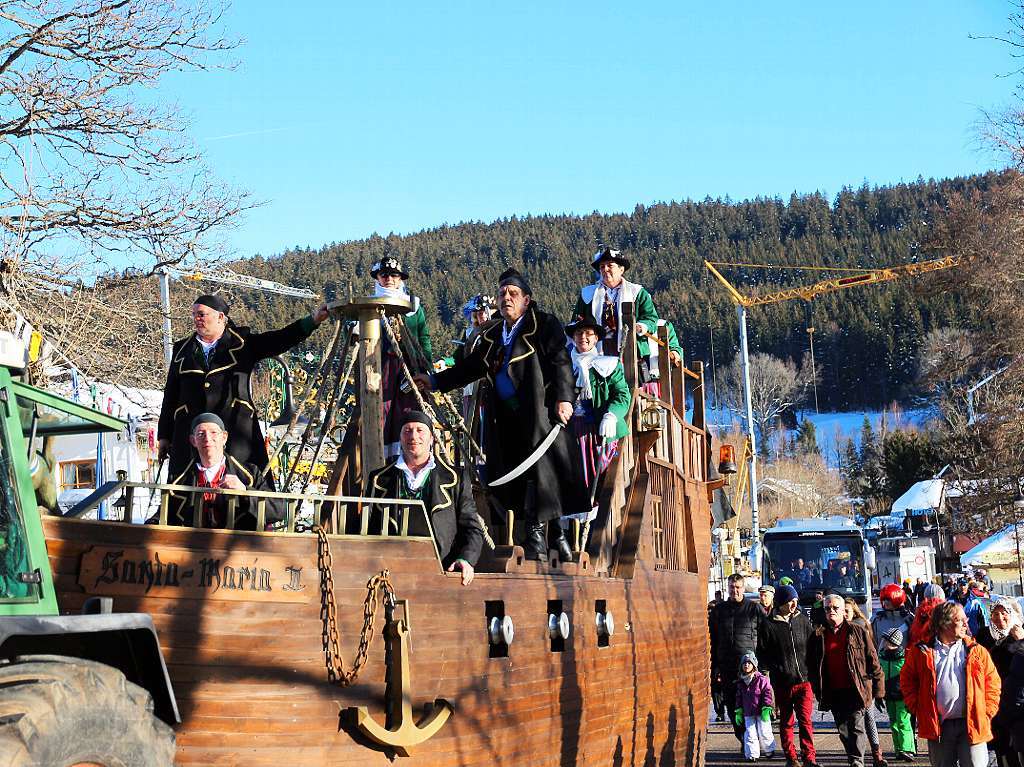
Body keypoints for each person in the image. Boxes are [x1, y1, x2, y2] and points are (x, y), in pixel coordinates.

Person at [418, 268, 583, 561]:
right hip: (505, 419)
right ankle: (534, 535)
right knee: (511, 475)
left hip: (540, 413)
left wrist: (565, 399)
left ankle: (547, 538)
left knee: (543, 475)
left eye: (513, 294)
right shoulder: (493, 333)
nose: (506, 298)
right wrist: (435, 381)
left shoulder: (544, 325)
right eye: (502, 294)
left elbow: (561, 362)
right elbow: (471, 367)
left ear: (527, 299)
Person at [158, 294, 330, 485]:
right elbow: (171, 394)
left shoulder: (243, 343)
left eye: (202, 314)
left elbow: (281, 339)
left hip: (235, 430)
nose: (196, 319)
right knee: (185, 491)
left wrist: (312, 321)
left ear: (220, 317)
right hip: (191, 431)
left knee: (242, 484)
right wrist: (164, 435)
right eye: (194, 315)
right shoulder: (182, 349)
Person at [366, 411, 483, 585]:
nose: (413, 436)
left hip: (442, 573)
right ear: (400, 437)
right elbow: (367, 529)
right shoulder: (379, 479)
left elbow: (472, 528)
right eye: (407, 431)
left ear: (431, 438)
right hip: (390, 575)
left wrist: (466, 559)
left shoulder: (455, 478)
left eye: (420, 430)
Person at [901, 601, 999, 767]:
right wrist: (919, 707)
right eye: (959, 619)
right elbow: (906, 680)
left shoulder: (976, 650)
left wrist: (986, 711)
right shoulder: (921, 651)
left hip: (972, 723)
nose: (965, 623)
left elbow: (993, 683)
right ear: (943, 623)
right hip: (939, 727)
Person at [572, 247, 673, 393]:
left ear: (621, 269)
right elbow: (576, 320)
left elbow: (651, 318)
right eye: (602, 267)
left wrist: (641, 326)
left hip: (630, 354)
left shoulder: (637, 292)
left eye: (610, 266)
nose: (605, 270)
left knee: (628, 391)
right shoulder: (588, 294)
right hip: (598, 353)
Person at [808, 593, 885, 767]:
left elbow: (873, 661)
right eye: (828, 608)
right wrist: (816, 688)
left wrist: (879, 691)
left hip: (856, 689)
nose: (831, 611)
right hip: (833, 691)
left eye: (835, 608)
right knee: (843, 730)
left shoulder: (858, 631)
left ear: (844, 611)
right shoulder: (817, 636)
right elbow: (811, 665)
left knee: (857, 727)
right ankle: (853, 758)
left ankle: (857, 761)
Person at [369, 255, 435, 458]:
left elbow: (423, 337)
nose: (389, 279)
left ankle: (413, 454)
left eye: (394, 275)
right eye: (384, 274)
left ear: (401, 279)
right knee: (383, 409)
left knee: (410, 408)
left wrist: (427, 367)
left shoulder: (413, 306)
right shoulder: (370, 306)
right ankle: (383, 457)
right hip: (383, 366)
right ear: (378, 278)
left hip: (410, 366)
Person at [564, 316, 631, 505]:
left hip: (600, 432)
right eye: (578, 333)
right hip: (571, 434)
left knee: (601, 482)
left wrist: (611, 416)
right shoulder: (563, 367)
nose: (583, 337)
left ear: (595, 338)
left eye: (588, 333)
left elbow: (622, 395)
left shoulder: (609, 365)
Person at [165, 413, 263, 529]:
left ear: (224, 437)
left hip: (236, 545)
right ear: (193, 441)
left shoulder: (250, 474)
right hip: (192, 545)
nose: (207, 438)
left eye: (214, 432)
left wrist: (245, 491)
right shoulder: (178, 479)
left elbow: (278, 510)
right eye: (201, 434)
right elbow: (164, 514)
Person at [758, 583, 819, 767]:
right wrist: (771, 672)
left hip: (804, 681)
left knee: (806, 721)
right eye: (790, 601)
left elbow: (811, 646)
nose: (794, 605)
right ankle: (791, 757)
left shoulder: (802, 620)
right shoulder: (768, 625)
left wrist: (813, 673)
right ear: (781, 603)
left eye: (795, 601)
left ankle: (809, 758)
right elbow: (762, 653)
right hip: (782, 682)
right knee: (786, 721)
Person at [711, 573, 764, 743]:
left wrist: (762, 662)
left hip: (749, 666)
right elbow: (713, 638)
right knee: (732, 704)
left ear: (743, 588)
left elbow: (765, 635)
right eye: (732, 587)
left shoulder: (753, 609)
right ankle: (742, 737)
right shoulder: (719, 611)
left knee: (752, 704)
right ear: (728, 588)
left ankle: (753, 738)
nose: (735, 591)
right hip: (727, 665)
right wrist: (715, 666)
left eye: (738, 587)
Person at [974, 597, 1024, 767]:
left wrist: (1020, 641)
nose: (1000, 618)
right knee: (1001, 747)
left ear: (1012, 615)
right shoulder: (983, 635)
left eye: (1004, 613)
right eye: (995, 613)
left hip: (1017, 702)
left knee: (1019, 746)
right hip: (993, 700)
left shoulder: (1020, 634)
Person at [847, 598, 891, 767]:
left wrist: (878, 688)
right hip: (850, 684)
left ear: (854, 612)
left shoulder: (861, 627)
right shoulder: (840, 630)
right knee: (854, 722)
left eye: (847, 611)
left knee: (868, 719)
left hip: (865, 682)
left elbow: (872, 660)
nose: (845, 614)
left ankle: (876, 754)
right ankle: (858, 758)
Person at [879, 627, 917, 763]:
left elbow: (911, 677)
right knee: (893, 723)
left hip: (903, 696)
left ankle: (907, 749)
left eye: (885, 639)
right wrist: (879, 695)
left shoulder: (904, 658)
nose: (882, 642)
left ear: (891, 642)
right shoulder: (882, 657)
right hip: (889, 696)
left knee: (903, 722)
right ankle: (898, 749)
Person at [735, 652, 777, 761]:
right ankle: (752, 754)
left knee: (765, 731)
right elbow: (739, 697)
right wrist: (738, 710)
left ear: (754, 665)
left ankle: (769, 750)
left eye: (749, 663)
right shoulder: (741, 682)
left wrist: (767, 707)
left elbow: (768, 693)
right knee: (750, 733)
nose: (746, 665)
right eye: (744, 663)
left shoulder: (761, 679)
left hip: (762, 711)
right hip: (748, 712)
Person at [873, 583, 916, 652]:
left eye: (889, 599)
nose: (885, 602)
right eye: (884, 599)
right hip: (882, 661)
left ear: (897, 599)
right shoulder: (877, 620)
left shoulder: (909, 619)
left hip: (906, 660)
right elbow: (873, 644)